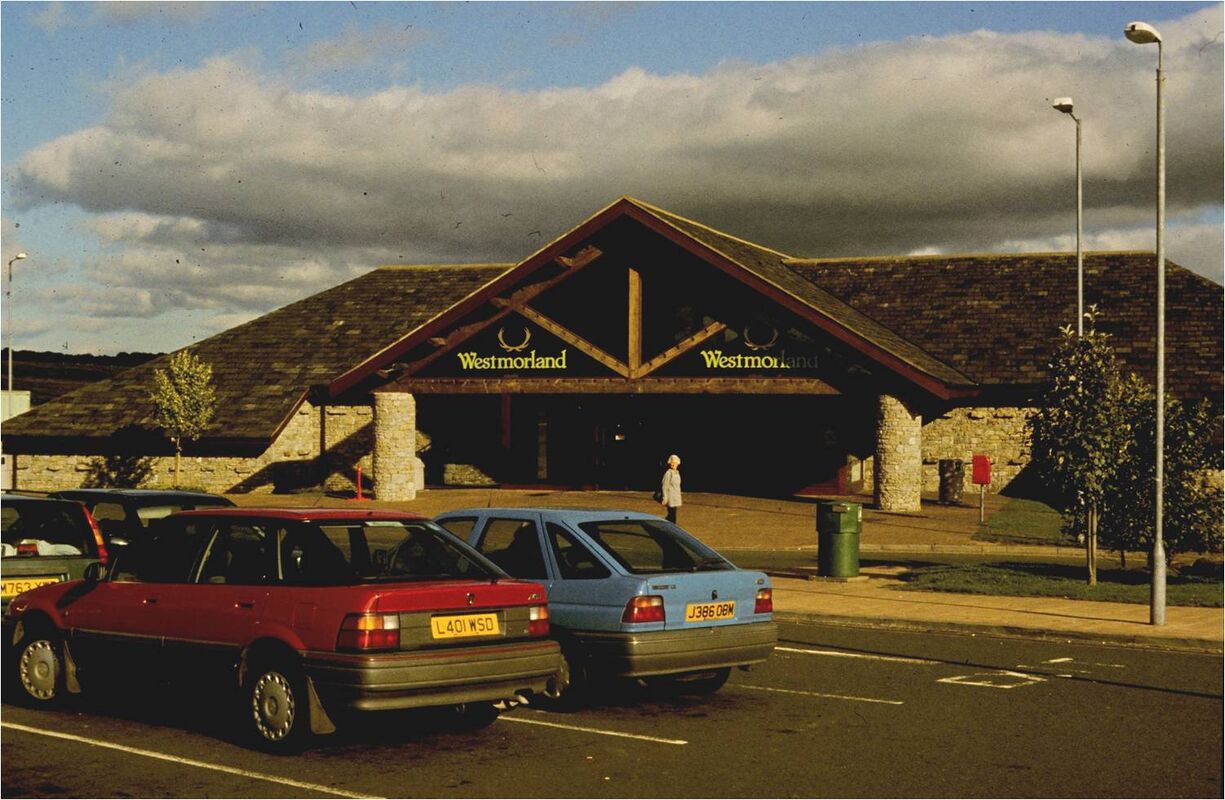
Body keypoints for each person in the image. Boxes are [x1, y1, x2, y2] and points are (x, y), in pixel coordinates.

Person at [660, 454, 682, 524]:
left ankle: (668, 526)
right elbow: (664, 486)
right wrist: (665, 497)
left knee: (672, 514)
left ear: (677, 463)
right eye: (672, 462)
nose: (673, 464)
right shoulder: (668, 473)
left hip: (676, 497)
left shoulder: (677, 473)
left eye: (675, 462)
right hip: (670, 498)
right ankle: (670, 527)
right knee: (672, 515)